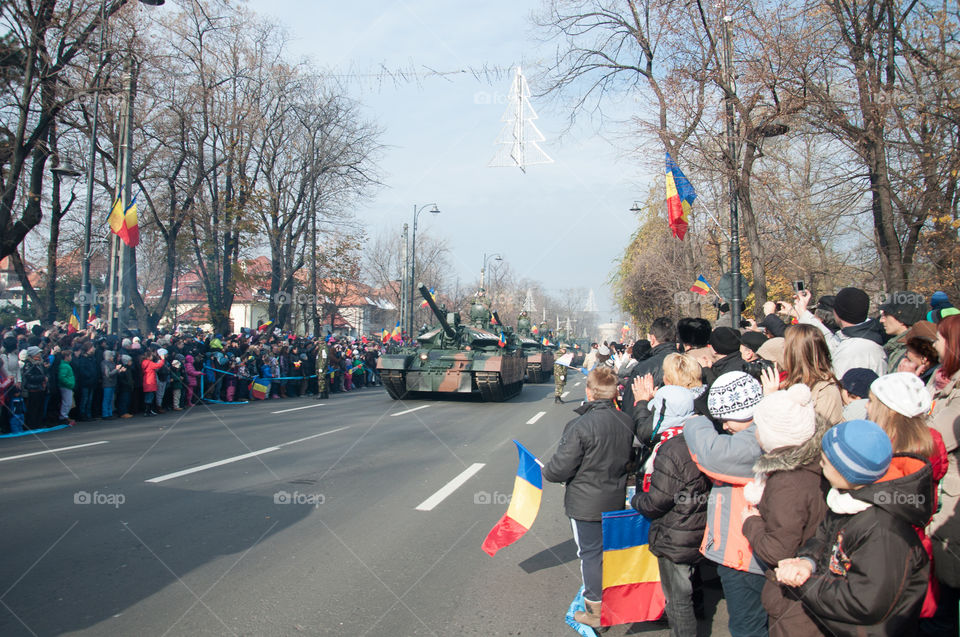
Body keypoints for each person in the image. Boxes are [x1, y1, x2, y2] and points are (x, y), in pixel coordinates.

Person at [776, 419, 932, 636]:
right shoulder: (847, 501)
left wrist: (806, 584)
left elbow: (865, 601)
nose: (820, 465)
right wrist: (807, 562)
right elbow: (824, 537)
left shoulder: (884, 530)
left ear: (847, 471)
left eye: (825, 461)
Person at [542, 367, 635, 628]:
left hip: (585, 504)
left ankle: (596, 610)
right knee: (608, 553)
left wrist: (547, 471)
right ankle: (611, 600)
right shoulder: (626, 421)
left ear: (589, 392)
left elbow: (560, 469)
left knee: (590, 555)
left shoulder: (579, 426)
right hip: (614, 498)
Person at [683, 371, 767, 637]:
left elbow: (712, 455)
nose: (725, 426)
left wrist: (698, 420)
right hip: (749, 551)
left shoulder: (757, 441)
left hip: (746, 555)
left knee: (747, 627)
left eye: (726, 418)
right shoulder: (764, 431)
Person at [741, 384, 828, 637]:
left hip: (794, 598)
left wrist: (751, 522)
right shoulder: (815, 462)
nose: (755, 432)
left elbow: (778, 549)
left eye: (759, 427)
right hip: (812, 587)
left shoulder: (787, 482)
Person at [631, 385, 709, 637]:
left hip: (676, 531)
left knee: (678, 599)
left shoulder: (670, 447)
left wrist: (636, 500)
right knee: (685, 589)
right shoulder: (700, 435)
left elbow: (657, 501)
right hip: (696, 524)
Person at [923, 314, 960, 635]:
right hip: (945, 509)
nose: (935, 344)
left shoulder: (958, 398)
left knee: (942, 615)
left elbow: (930, 442)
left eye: (940, 338)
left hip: (951, 516)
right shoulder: (948, 384)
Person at [795, 287, 887, 378]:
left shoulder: (851, 352)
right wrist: (802, 312)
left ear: (838, 313)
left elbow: (839, 388)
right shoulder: (862, 338)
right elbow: (828, 340)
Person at [781, 324, 844, 425]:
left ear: (795, 353)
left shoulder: (825, 392)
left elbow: (813, 434)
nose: (782, 351)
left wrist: (771, 399)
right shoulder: (790, 383)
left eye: (784, 347)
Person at [880, 292, 927, 372]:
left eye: (886, 315)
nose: (881, 320)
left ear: (902, 318)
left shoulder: (910, 353)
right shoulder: (899, 347)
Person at [100, 350, 119, 419]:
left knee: (111, 399)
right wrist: (116, 370)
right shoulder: (104, 363)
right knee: (106, 399)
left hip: (113, 383)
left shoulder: (112, 363)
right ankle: (105, 414)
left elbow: (114, 372)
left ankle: (110, 413)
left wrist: (119, 370)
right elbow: (108, 374)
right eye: (111, 356)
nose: (113, 357)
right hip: (107, 384)